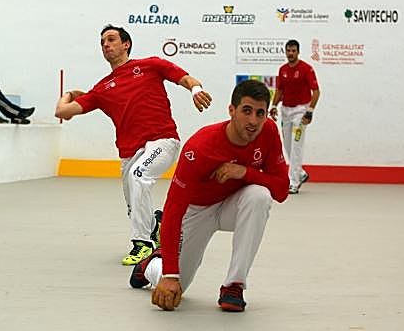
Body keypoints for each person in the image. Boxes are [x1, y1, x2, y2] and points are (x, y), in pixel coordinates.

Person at [55, 25, 212, 265]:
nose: (106, 45)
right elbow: (62, 112)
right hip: (130, 153)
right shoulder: (102, 89)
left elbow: (187, 79)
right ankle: (155, 226)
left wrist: (196, 90)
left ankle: (143, 244)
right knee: (134, 201)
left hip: (163, 141)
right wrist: (69, 94)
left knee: (139, 176)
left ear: (126, 44)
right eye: (102, 42)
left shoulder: (151, 65)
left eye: (111, 39)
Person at [129, 79, 289, 313]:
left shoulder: (269, 132)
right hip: (197, 212)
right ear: (231, 110)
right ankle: (151, 265)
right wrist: (170, 275)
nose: (253, 121)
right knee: (177, 286)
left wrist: (244, 172)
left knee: (260, 196)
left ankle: (234, 286)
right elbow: (173, 210)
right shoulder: (200, 148)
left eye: (260, 113)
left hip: (231, 206)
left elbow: (281, 191)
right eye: (246, 111)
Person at [268, 39, 320, 194]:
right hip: (286, 111)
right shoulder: (282, 70)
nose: (290, 53)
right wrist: (273, 106)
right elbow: (279, 91)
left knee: (296, 146)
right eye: (288, 50)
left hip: (300, 112)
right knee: (288, 146)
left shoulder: (306, 69)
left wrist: (309, 111)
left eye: (293, 51)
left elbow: (316, 92)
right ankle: (301, 173)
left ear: (298, 52)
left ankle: (294, 182)